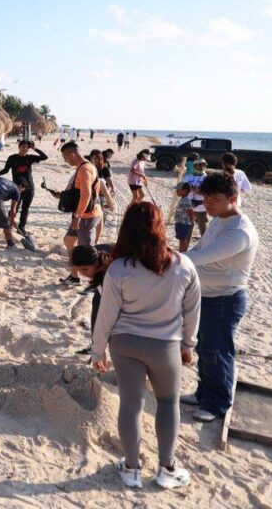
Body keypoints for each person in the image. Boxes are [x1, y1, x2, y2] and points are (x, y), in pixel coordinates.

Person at [92, 202, 199, 490]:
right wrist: (188, 344)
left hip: (125, 343)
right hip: (166, 345)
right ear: (160, 228)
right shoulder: (183, 265)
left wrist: (98, 350)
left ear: (126, 229)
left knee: (131, 404)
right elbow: (192, 312)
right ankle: (167, 469)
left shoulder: (118, 268)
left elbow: (106, 315)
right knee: (168, 402)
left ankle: (131, 469)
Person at [181, 173, 259, 422]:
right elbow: (198, 248)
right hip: (205, 295)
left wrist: (169, 258)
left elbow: (202, 257)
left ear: (233, 198)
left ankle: (217, 404)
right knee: (203, 347)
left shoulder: (239, 231)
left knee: (217, 350)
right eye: (205, 198)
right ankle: (204, 393)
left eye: (215, 199)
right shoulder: (218, 220)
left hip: (225, 299)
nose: (208, 204)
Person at [58, 142, 102, 285]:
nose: (65, 160)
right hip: (82, 214)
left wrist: (77, 216)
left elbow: (86, 194)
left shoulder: (84, 169)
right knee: (69, 241)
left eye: (65, 157)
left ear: (72, 154)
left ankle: (96, 282)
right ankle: (75, 276)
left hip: (86, 216)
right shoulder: (85, 166)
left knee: (88, 253)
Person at [0, 139, 48, 235]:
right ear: (19, 147)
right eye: (23, 146)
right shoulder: (12, 158)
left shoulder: (30, 158)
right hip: (16, 187)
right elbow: (5, 170)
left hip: (29, 187)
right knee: (15, 207)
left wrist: (35, 148)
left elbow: (45, 157)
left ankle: (22, 227)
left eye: (27, 147)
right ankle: (9, 224)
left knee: (25, 208)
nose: (25, 148)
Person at [70, 244, 113, 355]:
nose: (84, 274)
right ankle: (95, 344)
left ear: (95, 263)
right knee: (97, 302)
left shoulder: (111, 272)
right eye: (80, 271)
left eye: (85, 269)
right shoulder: (95, 255)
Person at [88, 150, 116, 243]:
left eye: (96, 158)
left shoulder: (104, 168)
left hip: (101, 195)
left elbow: (109, 180)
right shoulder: (89, 167)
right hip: (90, 194)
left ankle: (96, 240)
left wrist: (112, 189)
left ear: (100, 159)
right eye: (92, 158)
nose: (94, 160)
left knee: (100, 218)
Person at [182, 159, 208, 237]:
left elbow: (210, 192)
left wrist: (200, 191)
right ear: (195, 166)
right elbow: (180, 190)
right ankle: (186, 244)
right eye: (200, 164)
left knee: (202, 227)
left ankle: (205, 243)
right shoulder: (188, 177)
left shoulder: (207, 178)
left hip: (202, 207)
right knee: (188, 227)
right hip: (189, 205)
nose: (202, 166)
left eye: (204, 165)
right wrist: (189, 188)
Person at [173, 182, 195, 252]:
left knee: (183, 239)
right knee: (181, 239)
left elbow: (191, 212)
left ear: (185, 191)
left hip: (184, 223)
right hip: (180, 222)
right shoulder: (183, 198)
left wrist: (192, 221)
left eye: (178, 190)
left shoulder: (187, 200)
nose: (177, 191)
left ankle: (184, 253)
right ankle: (181, 251)